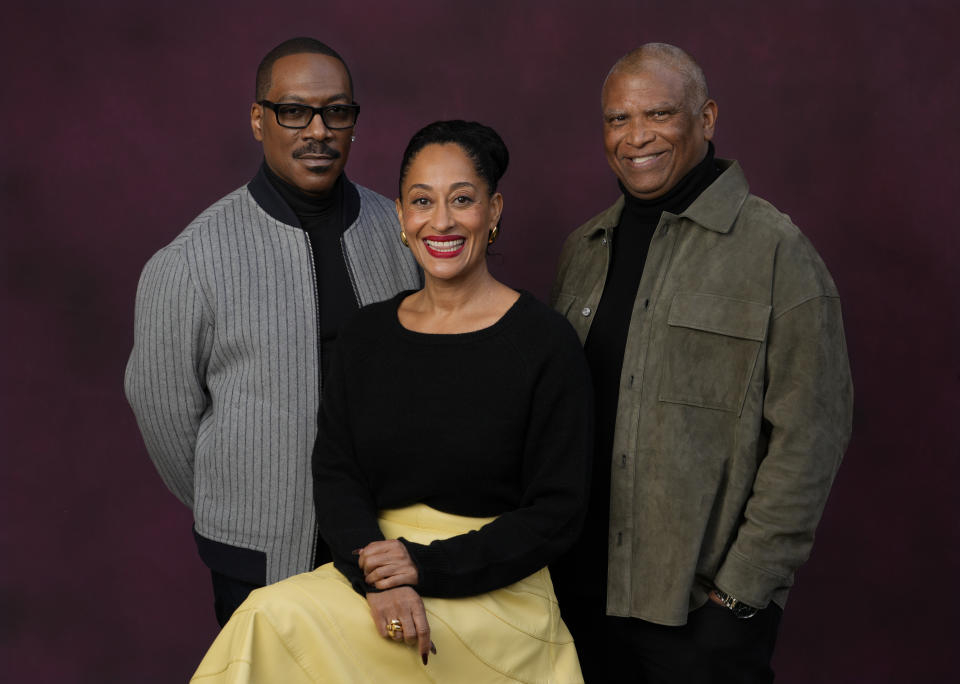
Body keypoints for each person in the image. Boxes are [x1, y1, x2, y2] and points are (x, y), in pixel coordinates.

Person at [190, 120, 592, 683]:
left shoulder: (545, 343)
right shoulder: (366, 335)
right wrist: (379, 576)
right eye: (422, 201)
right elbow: (335, 474)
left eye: (462, 200)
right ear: (402, 216)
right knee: (265, 617)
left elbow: (558, 512)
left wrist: (421, 568)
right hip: (374, 567)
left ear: (494, 211)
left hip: (496, 589)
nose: (442, 221)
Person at [549, 43, 854, 683]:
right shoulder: (584, 249)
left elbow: (812, 435)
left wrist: (742, 596)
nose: (636, 138)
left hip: (700, 616)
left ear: (707, 118)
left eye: (659, 114)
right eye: (617, 119)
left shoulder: (777, 251)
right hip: (575, 600)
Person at [124, 37, 420, 626]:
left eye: (337, 112)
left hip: (390, 542)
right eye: (294, 111)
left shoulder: (401, 230)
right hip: (257, 550)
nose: (318, 130)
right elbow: (163, 410)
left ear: (354, 123)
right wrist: (242, 491)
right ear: (259, 120)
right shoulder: (191, 259)